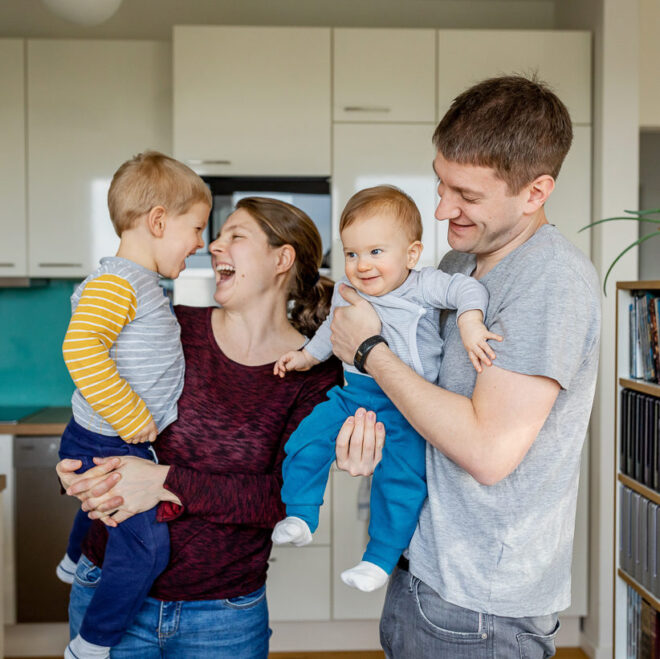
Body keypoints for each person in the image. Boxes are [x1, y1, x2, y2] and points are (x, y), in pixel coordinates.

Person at [328, 75, 601, 658]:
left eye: (468, 196)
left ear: (535, 192)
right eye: (441, 183)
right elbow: (425, 399)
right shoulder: (458, 261)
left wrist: (370, 353)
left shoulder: (549, 280)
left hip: (482, 605)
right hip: (424, 565)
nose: (442, 208)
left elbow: (486, 450)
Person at [56, 196, 343, 658]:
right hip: (107, 586)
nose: (212, 246)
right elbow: (97, 414)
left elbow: (281, 499)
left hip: (224, 615)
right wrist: (71, 470)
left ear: (282, 259)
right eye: (216, 234)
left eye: (236, 236)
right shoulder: (169, 327)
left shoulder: (314, 374)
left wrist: (164, 482)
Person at [271, 184, 500, 592]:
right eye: (352, 253)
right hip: (353, 395)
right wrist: (307, 356)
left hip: (406, 407)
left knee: (401, 480)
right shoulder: (349, 288)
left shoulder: (424, 284)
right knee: (306, 440)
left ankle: (378, 559)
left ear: (411, 254)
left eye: (376, 252)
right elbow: (332, 328)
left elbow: (469, 289)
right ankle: (301, 515)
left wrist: (469, 321)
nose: (361, 265)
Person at [57, 151, 211, 659]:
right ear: (159, 221)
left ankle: (72, 556)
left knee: (100, 509)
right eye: (196, 227)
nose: (199, 242)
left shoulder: (140, 285)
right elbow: (80, 347)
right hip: (113, 435)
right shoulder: (117, 283)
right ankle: (93, 643)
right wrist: (134, 418)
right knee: (147, 550)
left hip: (110, 435)